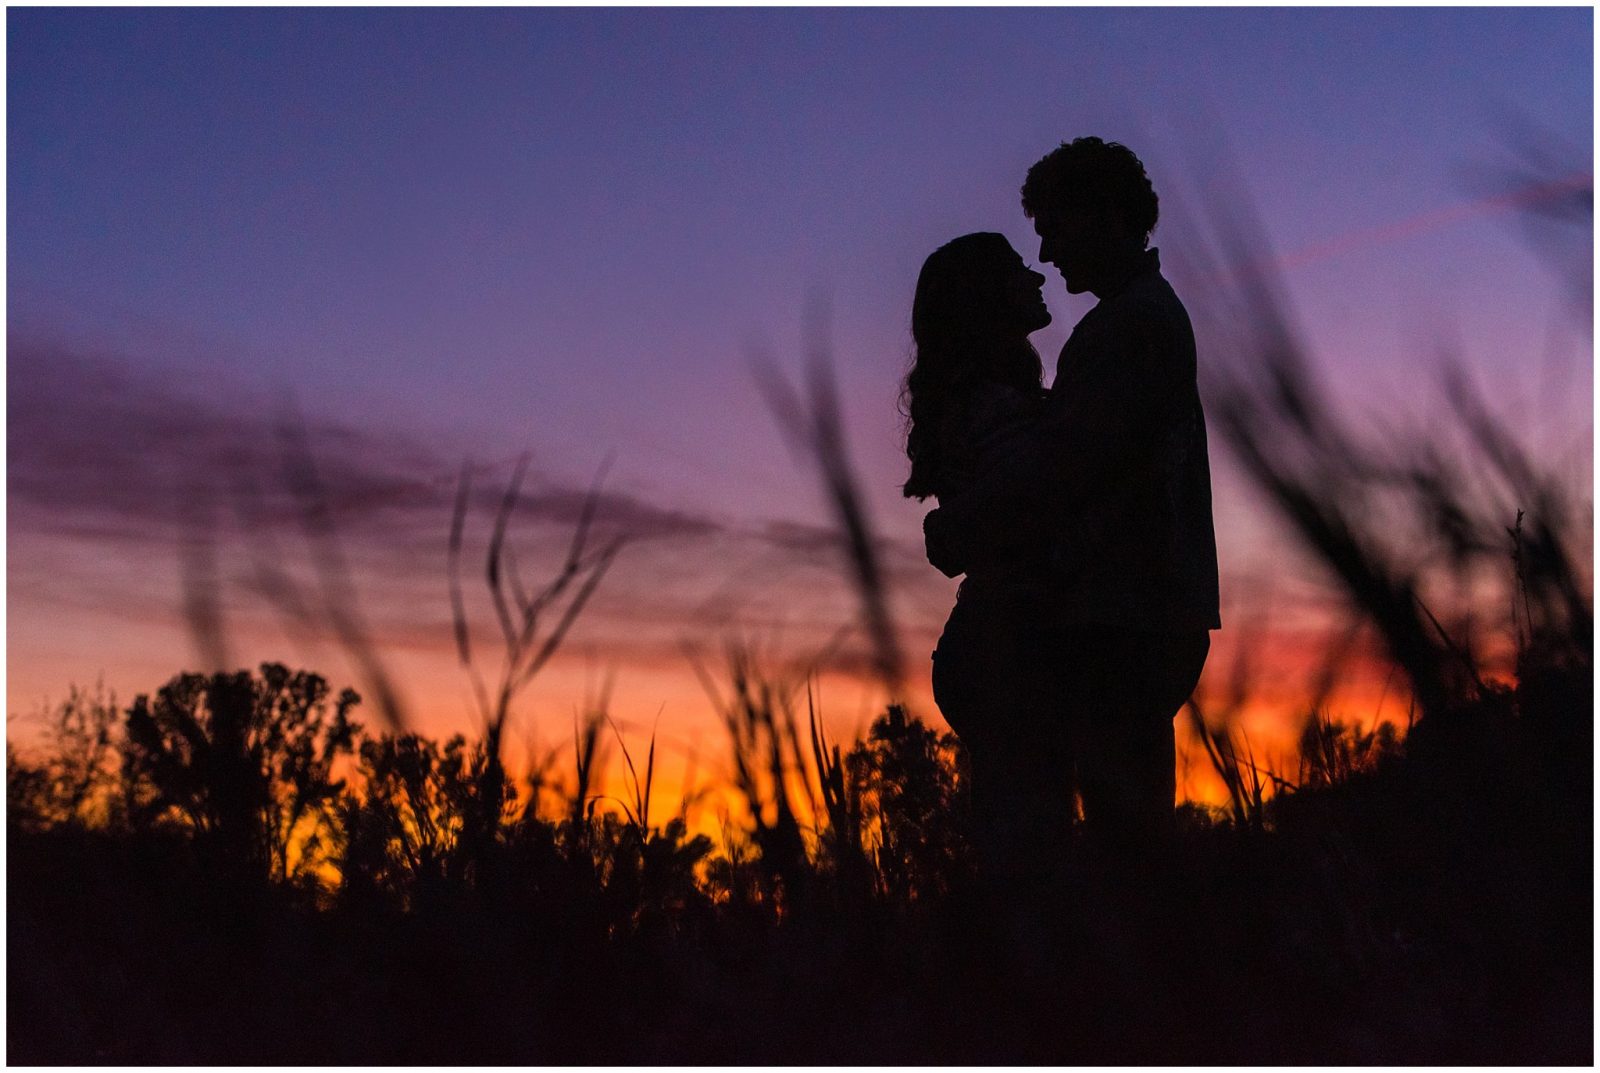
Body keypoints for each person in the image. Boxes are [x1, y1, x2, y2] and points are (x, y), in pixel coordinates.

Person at [920, 138, 1220, 878]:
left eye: (1055, 228)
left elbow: (1062, 468)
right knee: (1111, 844)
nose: (1048, 254)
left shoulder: (1128, 327)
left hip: (1129, 616)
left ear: (1107, 216)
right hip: (1122, 616)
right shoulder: (1126, 323)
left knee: (1119, 851)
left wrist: (955, 528)